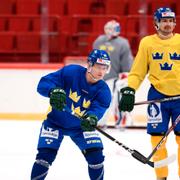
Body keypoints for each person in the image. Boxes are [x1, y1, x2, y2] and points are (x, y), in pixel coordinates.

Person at [118, 7, 180, 180]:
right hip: (157, 97)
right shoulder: (147, 42)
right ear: (156, 23)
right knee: (157, 140)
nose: (168, 24)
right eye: (164, 21)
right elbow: (138, 71)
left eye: (171, 20)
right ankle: (161, 177)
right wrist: (130, 90)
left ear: (174, 22)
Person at [30, 49, 111, 180]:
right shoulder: (71, 72)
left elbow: (98, 109)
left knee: (96, 158)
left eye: (105, 68)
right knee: (44, 158)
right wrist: (53, 91)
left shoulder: (104, 91)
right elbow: (43, 84)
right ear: (89, 65)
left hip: (80, 128)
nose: (101, 72)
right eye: (98, 67)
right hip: (55, 123)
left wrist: (92, 118)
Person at [93, 19, 133, 128]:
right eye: (111, 28)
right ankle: (100, 122)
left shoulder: (122, 42)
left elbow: (126, 61)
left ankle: (122, 122)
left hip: (115, 77)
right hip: (99, 77)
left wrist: (125, 75)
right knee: (100, 100)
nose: (113, 30)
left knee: (116, 101)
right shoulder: (99, 41)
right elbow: (93, 58)